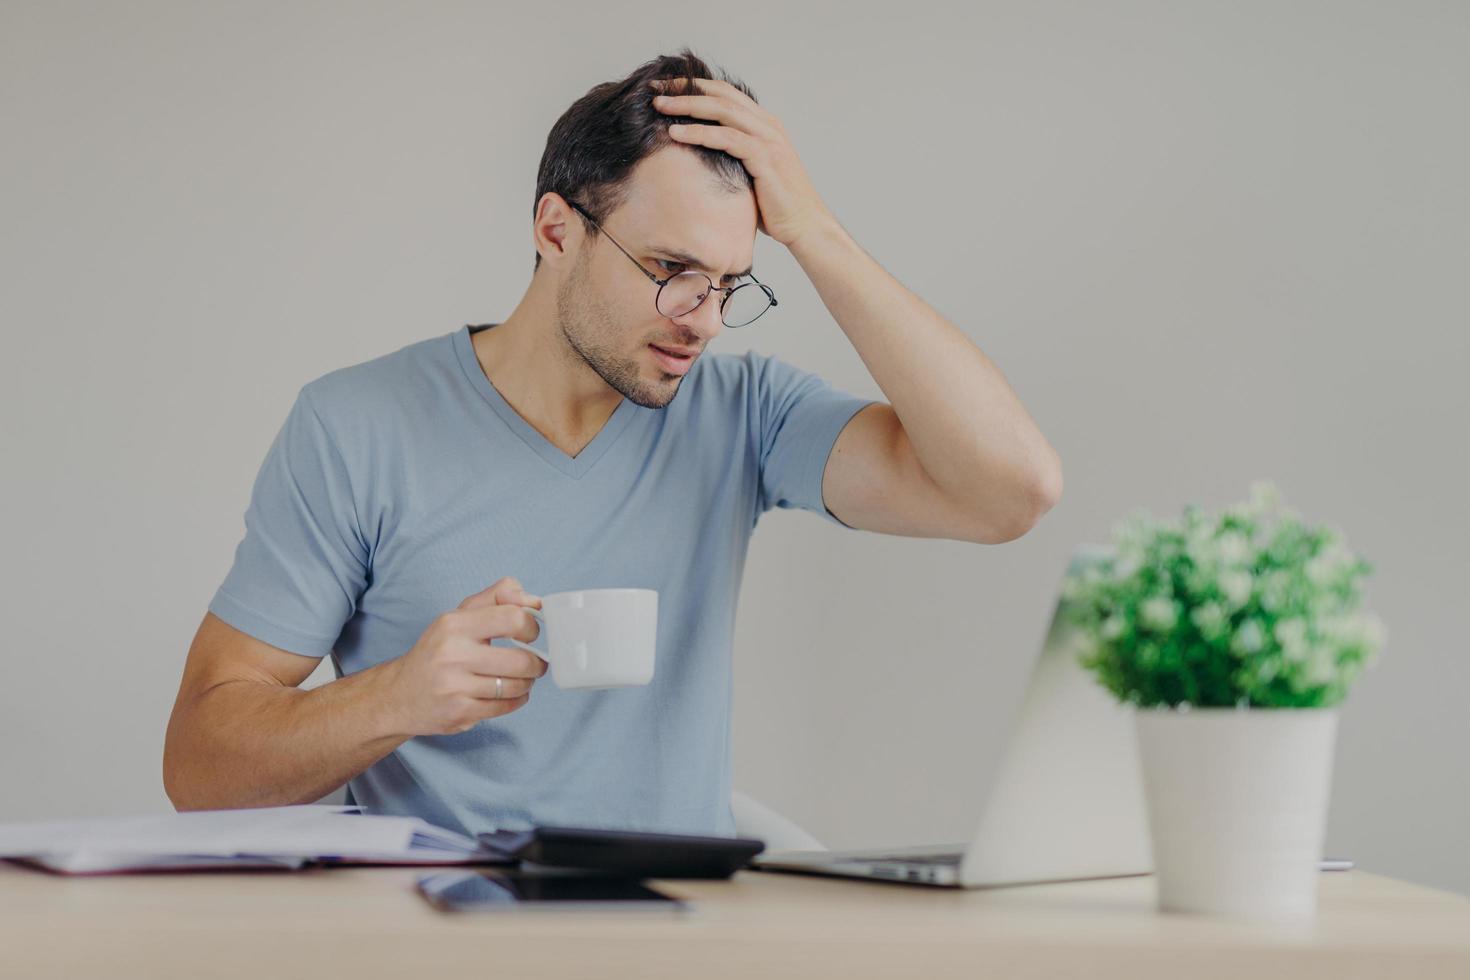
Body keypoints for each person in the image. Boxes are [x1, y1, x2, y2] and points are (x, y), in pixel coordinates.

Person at [162, 49, 1064, 837]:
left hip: (680, 932)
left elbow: (1010, 490)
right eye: (672, 272)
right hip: (442, 937)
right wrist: (396, 698)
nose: (705, 321)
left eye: (729, 284)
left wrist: (814, 233)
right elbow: (201, 768)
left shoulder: (745, 413)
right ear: (556, 230)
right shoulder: (356, 427)